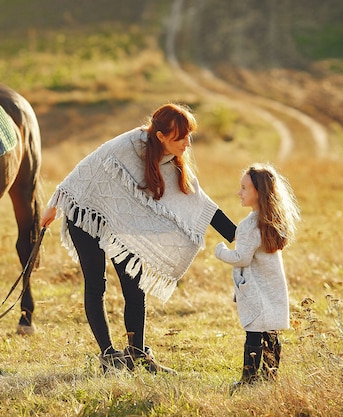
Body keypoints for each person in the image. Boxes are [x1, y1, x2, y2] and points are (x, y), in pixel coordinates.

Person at [41, 103, 236, 374]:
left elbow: (201, 204)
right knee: (96, 284)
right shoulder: (128, 145)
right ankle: (109, 357)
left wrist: (240, 235)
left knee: (135, 288)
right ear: (161, 137)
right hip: (86, 214)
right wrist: (54, 204)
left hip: (122, 225)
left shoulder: (172, 162)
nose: (188, 143)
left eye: (189, 135)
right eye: (181, 137)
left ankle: (137, 355)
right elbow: (85, 169)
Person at [214, 163, 300, 393]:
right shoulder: (272, 219)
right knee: (270, 333)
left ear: (258, 192)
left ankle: (249, 380)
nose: (238, 192)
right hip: (272, 287)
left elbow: (241, 257)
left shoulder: (250, 224)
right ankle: (270, 378)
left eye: (244, 188)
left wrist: (220, 251)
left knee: (253, 333)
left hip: (256, 289)